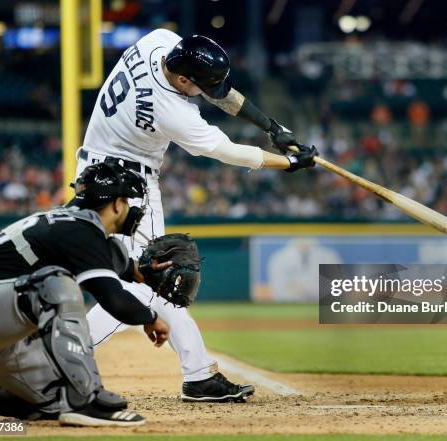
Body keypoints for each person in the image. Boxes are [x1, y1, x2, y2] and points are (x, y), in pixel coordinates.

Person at [78, 30, 318, 402]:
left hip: (98, 173)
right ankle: (55, 357)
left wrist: (272, 128)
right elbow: (229, 153)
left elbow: (219, 93)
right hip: (126, 186)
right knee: (147, 281)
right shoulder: (171, 111)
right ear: (183, 79)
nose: (207, 93)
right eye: (198, 86)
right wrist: (286, 162)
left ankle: (199, 374)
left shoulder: (157, 42)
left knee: (152, 279)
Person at [0, 162, 171, 426]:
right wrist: (150, 316)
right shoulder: (79, 229)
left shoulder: (71, 224)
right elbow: (114, 300)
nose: (130, 208)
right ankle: (88, 399)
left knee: (53, 400)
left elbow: (104, 258)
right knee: (56, 284)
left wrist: (138, 270)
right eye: (127, 200)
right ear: (117, 204)